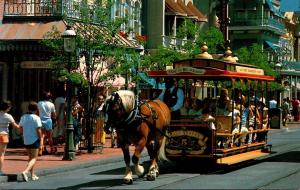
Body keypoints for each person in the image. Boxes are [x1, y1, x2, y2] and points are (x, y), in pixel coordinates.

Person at [19, 101, 42, 182]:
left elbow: (20, 129)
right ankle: (25, 172)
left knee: (30, 158)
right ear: (36, 109)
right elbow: (38, 130)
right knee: (34, 158)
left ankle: (32, 175)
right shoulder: (36, 118)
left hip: (26, 139)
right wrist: (41, 140)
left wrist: (23, 134)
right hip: (34, 139)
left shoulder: (23, 117)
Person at [0, 100, 20, 175]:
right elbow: (15, 126)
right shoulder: (8, 116)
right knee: (1, 154)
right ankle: (0, 171)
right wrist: (22, 127)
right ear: (8, 107)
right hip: (3, 135)